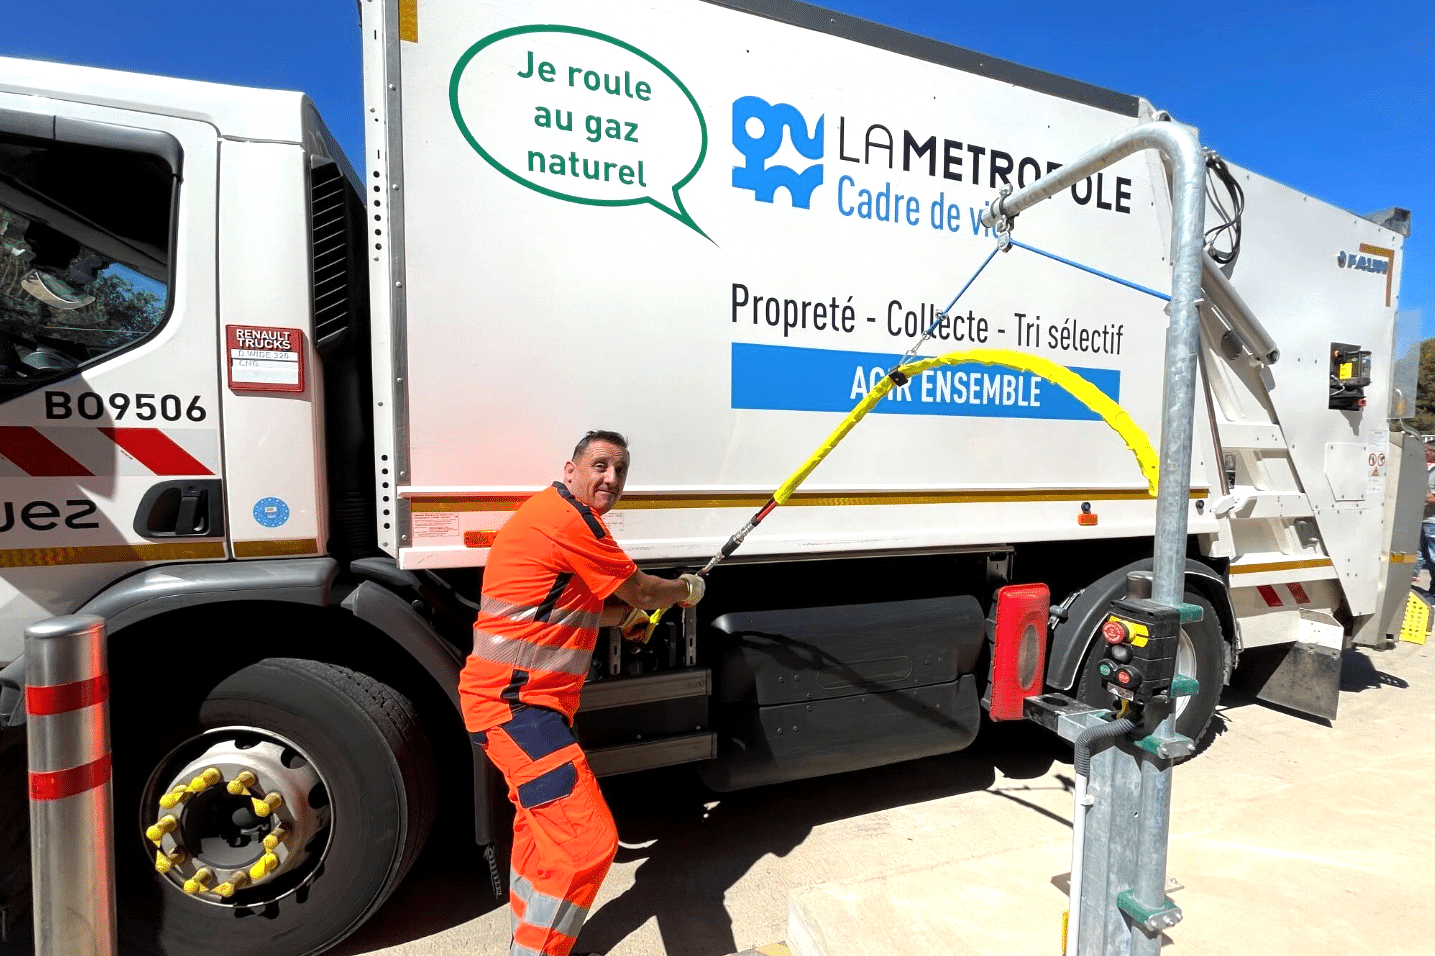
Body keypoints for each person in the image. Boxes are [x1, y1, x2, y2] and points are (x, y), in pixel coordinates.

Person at [457, 430, 704, 956]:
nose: (610, 478)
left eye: (619, 470)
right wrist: (686, 590)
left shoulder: (556, 518)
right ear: (571, 470)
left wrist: (625, 620)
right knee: (589, 844)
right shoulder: (567, 521)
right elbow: (639, 588)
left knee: (541, 835)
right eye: (599, 465)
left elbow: (569, 606)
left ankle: (527, 942)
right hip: (515, 710)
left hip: (516, 708)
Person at [1418, 441, 1435, 587]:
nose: (1424, 453)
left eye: (1427, 450)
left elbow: (1432, 498)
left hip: (1432, 522)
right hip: (1423, 520)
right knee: (1427, 558)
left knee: (1434, 557)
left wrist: (1415, 493)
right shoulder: (1426, 469)